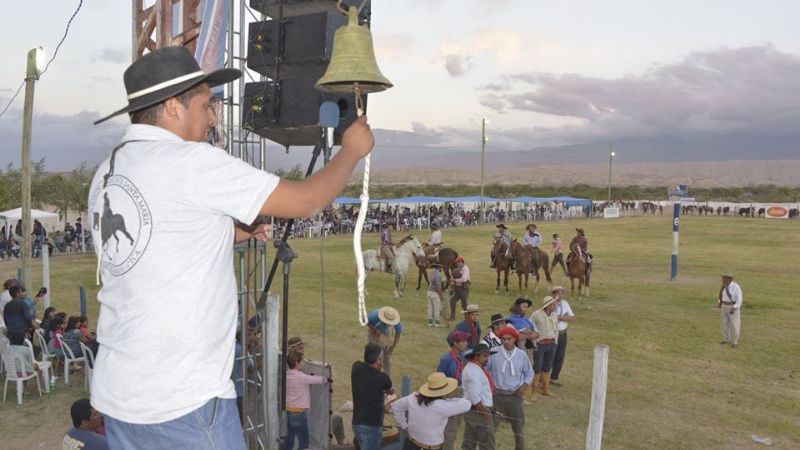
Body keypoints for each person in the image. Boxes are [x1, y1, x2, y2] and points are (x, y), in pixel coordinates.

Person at [88, 46, 374, 449]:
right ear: (173, 108)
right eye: (206, 105)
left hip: (120, 396)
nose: (211, 118)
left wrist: (236, 232)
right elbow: (306, 200)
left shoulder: (109, 170)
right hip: (182, 401)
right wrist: (350, 152)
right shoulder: (191, 162)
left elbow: (159, 245)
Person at [392, 372, 471, 450]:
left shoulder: (414, 397)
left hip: (411, 444)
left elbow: (396, 406)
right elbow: (467, 404)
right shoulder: (442, 406)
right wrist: (448, 399)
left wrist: (405, 426)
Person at [486, 326, 534, 450]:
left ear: (514, 339)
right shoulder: (493, 353)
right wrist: (490, 386)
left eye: (509, 339)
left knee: (518, 429)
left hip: (515, 397)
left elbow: (529, 372)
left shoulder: (521, 355)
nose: (506, 341)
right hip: (497, 397)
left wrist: (524, 387)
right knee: (490, 428)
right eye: (503, 339)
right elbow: (485, 371)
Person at [351, 343, 395, 450]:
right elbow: (391, 391)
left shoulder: (356, 367)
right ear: (378, 360)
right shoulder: (383, 378)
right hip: (372, 427)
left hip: (356, 423)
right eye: (381, 359)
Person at [285, 352, 330, 450]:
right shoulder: (301, 377)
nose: (304, 363)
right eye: (302, 361)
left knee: (289, 441)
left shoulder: (287, 375)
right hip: (299, 414)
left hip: (287, 413)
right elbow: (317, 380)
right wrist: (327, 379)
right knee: (304, 443)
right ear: (297, 363)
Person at [437, 330, 469, 450]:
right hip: (449, 394)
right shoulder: (446, 359)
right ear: (455, 343)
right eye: (463, 341)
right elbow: (439, 377)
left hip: (459, 392)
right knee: (449, 428)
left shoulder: (461, 356)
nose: (466, 343)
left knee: (456, 426)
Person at [460, 343, 495, 450]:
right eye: (484, 356)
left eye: (488, 356)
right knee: (487, 444)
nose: (487, 359)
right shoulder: (474, 372)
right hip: (479, 412)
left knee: (469, 441)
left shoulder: (472, 367)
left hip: (472, 411)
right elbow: (475, 397)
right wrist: (485, 412)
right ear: (476, 356)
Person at [529, 296, 559, 402]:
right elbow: (530, 327)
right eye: (552, 304)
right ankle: (534, 392)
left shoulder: (554, 315)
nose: (554, 306)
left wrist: (555, 341)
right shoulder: (536, 314)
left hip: (551, 343)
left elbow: (556, 329)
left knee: (547, 367)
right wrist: (534, 343)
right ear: (547, 305)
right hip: (540, 344)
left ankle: (545, 389)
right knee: (537, 368)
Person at [367, 306, 403, 377]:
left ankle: (387, 377)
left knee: (386, 356)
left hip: (384, 334)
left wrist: (392, 347)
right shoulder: (375, 315)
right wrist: (375, 331)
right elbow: (365, 321)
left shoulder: (396, 320)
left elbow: (398, 333)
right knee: (374, 355)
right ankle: (372, 375)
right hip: (373, 334)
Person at [550, 286, 575, 386]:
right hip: (552, 332)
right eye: (558, 293)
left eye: (562, 293)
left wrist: (561, 317)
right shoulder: (550, 304)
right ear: (554, 294)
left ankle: (554, 377)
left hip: (562, 333)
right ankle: (544, 377)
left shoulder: (565, 304)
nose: (560, 295)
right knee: (551, 355)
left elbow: (572, 318)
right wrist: (563, 317)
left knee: (560, 355)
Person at [718, 273, 743, 348]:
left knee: (735, 324)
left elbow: (739, 298)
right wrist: (720, 303)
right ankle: (726, 338)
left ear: (729, 279)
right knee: (725, 323)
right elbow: (720, 295)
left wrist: (734, 308)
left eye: (724, 278)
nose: (722, 280)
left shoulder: (736, 287)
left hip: (732, 306)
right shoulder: (723, 286)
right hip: (724, 306)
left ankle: (735, 341)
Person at [449, 256, 471, 321]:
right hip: (457, 289)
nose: (457, 264)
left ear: (461, 262)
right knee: (452, 301)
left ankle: (467, 318)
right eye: (456, 263)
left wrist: (455, 280)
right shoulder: (457, 269)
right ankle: (452, 316)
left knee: (464, 304)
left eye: (458, 263)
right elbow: (452, 276)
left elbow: (464, 279)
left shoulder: (466, 269)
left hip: (464, 289)